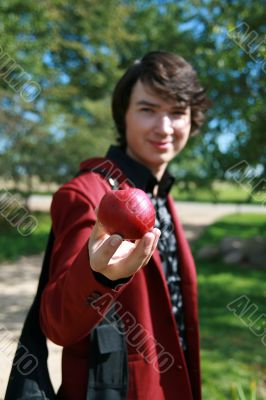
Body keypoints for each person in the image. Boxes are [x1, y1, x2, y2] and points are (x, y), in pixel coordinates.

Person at [40, 51, 210, 400]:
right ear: (124, 115)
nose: (164, 128)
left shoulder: (159, 193)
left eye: (177, 113)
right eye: (148, 110)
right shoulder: (87, 193)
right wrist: (99, 276)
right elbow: (57, 321)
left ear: (192, 121)